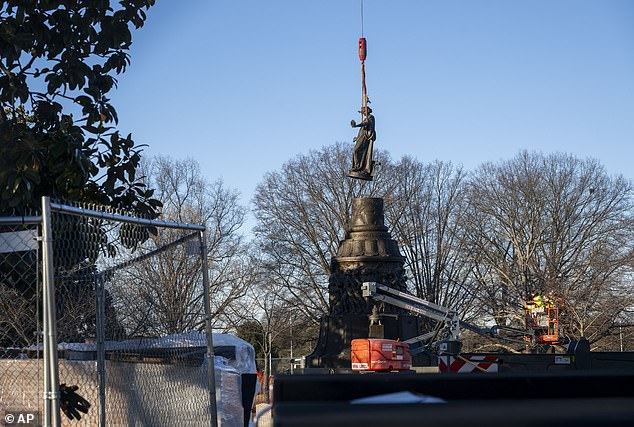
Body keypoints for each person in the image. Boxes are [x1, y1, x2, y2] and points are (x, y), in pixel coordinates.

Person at [348, 105, 376, 179]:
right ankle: (357, 167)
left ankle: (358, 167)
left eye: (364, 111)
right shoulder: (366, 118)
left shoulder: (371, 117)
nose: (363, 112)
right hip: (361, 138)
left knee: (356, 151)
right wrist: (357, 138)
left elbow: (365, 124)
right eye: (362, 111)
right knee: (358, 152)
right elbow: (362, 130)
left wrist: (356, 125)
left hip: (365, 138)